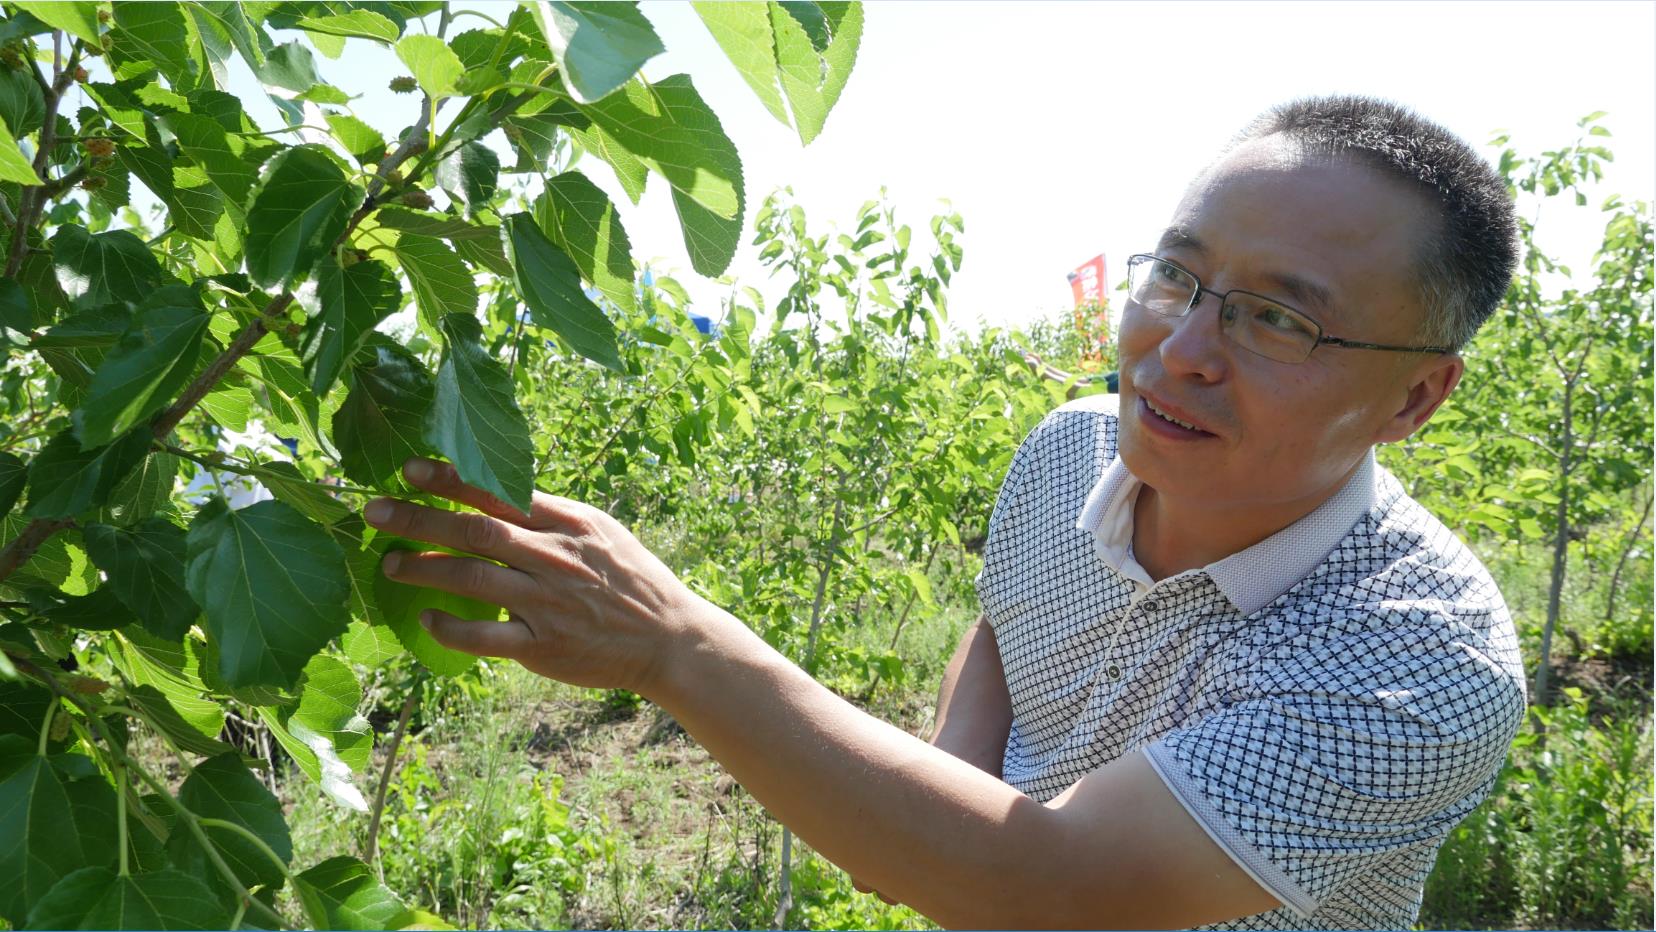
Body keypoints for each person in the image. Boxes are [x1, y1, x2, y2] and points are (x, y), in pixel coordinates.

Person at [360, 95, 1527, 929]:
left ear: (1416, 394)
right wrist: (945, 800)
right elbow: (1007, 619)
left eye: (1279, 320)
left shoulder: (1417, 665)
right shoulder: (1073, 445)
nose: (1178, 350)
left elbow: (1058, 892)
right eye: (1177, 275)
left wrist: (676, 641)